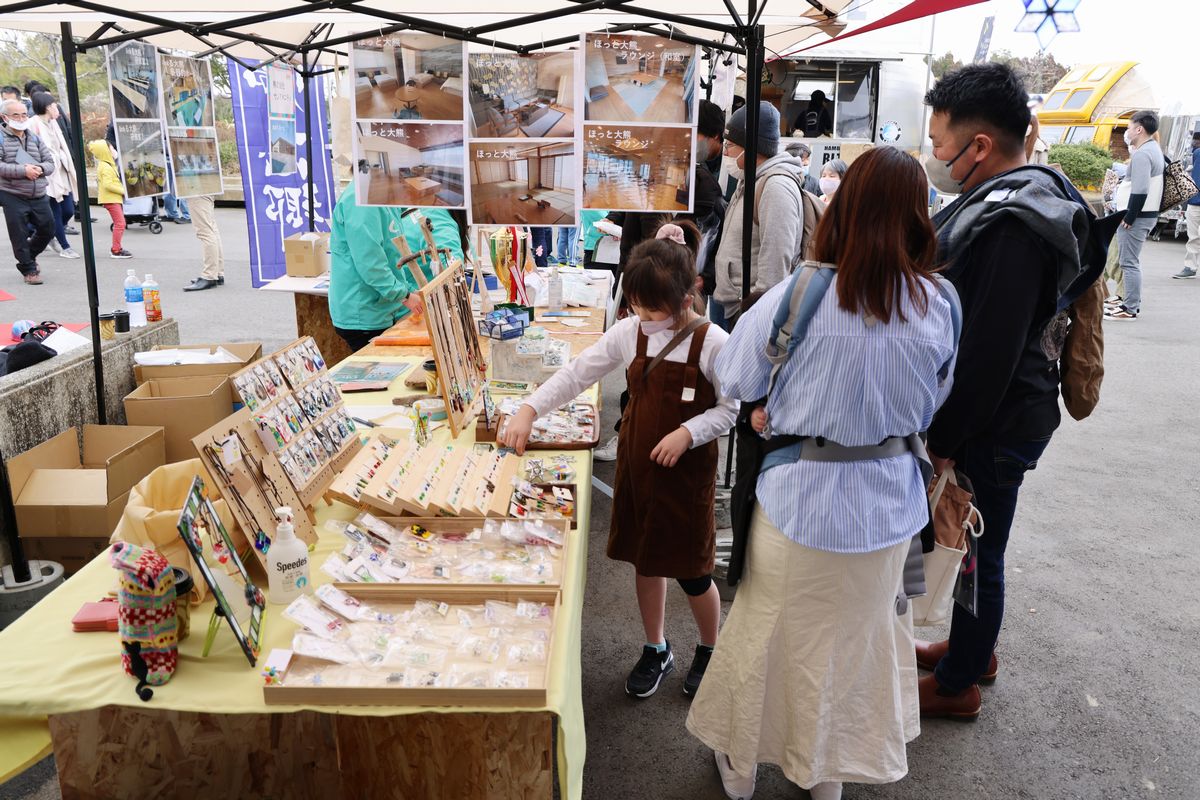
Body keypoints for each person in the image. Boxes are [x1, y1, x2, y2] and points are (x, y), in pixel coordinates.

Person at [687, 146, 957, 800]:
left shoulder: (799, 293)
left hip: (794, 504)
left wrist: (782, 402)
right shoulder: (940, 302)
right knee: (855, 650)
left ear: (843, 206)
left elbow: (734, 375)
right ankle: (825, 773)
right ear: (919, 215)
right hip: (891, 509)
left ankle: (743, 769)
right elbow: (937, 399)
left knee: (761, 640)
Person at [500, 220, 737, 700]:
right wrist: (528, 408)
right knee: (644, 562)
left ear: (686, 298)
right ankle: (656, 647)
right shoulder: (630, 332)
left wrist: (688, 433)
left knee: (693, 572)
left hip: (687, 477)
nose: (642, 318)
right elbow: (576, 373)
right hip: (638, 467)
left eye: (653, 311)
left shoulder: (713, 342)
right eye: (637, 308)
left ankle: (713, 649)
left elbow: (730, 409)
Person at [919, 62, 1089, 718]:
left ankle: (960, 682)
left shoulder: (1015, 223)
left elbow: (987, 356)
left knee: (974, 551)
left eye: (938, 145)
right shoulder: (1029, 195)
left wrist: (944, 441)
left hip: (998, 416)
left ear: (980, 146)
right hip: (1011, 407)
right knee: (976, 545)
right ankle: (970, 649)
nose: (935, 158)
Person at [328, 182, 463, 351]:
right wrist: (404, 294)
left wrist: (407, 291)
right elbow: (370, 263)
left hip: (384, 307)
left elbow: (392, 255)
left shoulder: (384, 195)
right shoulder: (361, 200)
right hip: (364, 313)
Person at [711, 101, 807, 329]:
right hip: (731, 304)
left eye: (730, 145)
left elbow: (776, 259)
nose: (725, 152)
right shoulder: (750, 180)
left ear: (752, 147)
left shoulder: (775, 187)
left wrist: (757, 317)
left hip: (747, 313)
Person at [1105, 110, 1163, 321]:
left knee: (1129, 262)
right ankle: (1127, 302)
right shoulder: (1152, 149)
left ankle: (1129, 308)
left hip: (1138, 217)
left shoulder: (1143, 154)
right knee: (1129, 261)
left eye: (1129, 128)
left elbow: (1140, 189)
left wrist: (1129, 217)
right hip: (1144, 214)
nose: (1127, 132)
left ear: (1139, 129)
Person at [0, 99, 56, 284]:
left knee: (48, 229)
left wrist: (39, 168)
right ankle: (29, 271)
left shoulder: (34, 137)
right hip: (12, 193)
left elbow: (50, 162)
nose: (21, 118)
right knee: (19, 234)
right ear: (4, 117)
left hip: (38, 192)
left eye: (24, 114)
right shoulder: (1, 137)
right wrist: (23, 171)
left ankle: (28, 258)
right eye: (16, 114)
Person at [29, 92, 79, 260]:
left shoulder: (53, 123)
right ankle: (64, 246)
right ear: (46, 107)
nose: (56, 108)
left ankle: (44, 233)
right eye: (53, 105)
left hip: (61, 172)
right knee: (56, 211)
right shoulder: (33, 124)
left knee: (68, 210)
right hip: (47, 175)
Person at [87, 139, 132, 259]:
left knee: (120, 223)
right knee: (120, 223)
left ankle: (117, 248)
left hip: (112, 198)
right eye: (111, 148)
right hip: (111, 199)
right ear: (105, 151)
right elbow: (108, 185)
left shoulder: (106, 164)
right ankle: (116, 250)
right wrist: (124, 191)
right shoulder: (106, 166)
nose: (114, 150)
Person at [183, 194, 224, 291]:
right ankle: (217, 273)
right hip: (206, 187)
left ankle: (209, 276)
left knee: (205, 232)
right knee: (211, 229)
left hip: (197, 189)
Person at [1173, 131, 1200, 280]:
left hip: (1195, 202)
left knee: (1194, 237)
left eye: (1195, 140)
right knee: (1194, 237)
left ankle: (1190, 267)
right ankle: (1190, 266)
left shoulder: (1197, 153)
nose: (1193, 143)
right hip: (1195, 202)